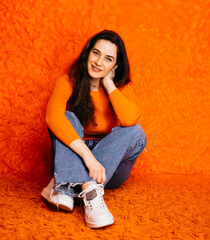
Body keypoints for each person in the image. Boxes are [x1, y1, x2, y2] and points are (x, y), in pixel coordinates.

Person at [41, 30, 147, 228]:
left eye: (108, 59)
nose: (99, 62)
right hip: (73, 154)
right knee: (65, 116)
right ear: (87, 53)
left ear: (115, 66)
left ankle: (64, 186)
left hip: (107, 168)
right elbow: (52, 116)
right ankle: (90, 190)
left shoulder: (120, 88)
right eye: (96, 53)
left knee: (136, 132)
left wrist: (108, 83)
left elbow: (130, 119)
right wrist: (88, 158)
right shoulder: (67, 81)